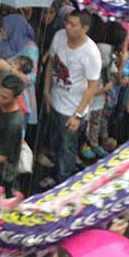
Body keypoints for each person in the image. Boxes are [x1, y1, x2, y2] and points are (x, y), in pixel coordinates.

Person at [45, 11, 101, 185]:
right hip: (55, 99)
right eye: (67, 23)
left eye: (73, 25)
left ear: (85, 28)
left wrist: (77, 115)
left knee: (67, 148)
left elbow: (92, 86)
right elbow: (51, 63)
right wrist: (47, 91)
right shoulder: (59, 36)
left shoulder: (91, 53)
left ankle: (64, 182)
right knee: (54, 142)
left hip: (72, 108)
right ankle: (56, 175)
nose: (67, 27)